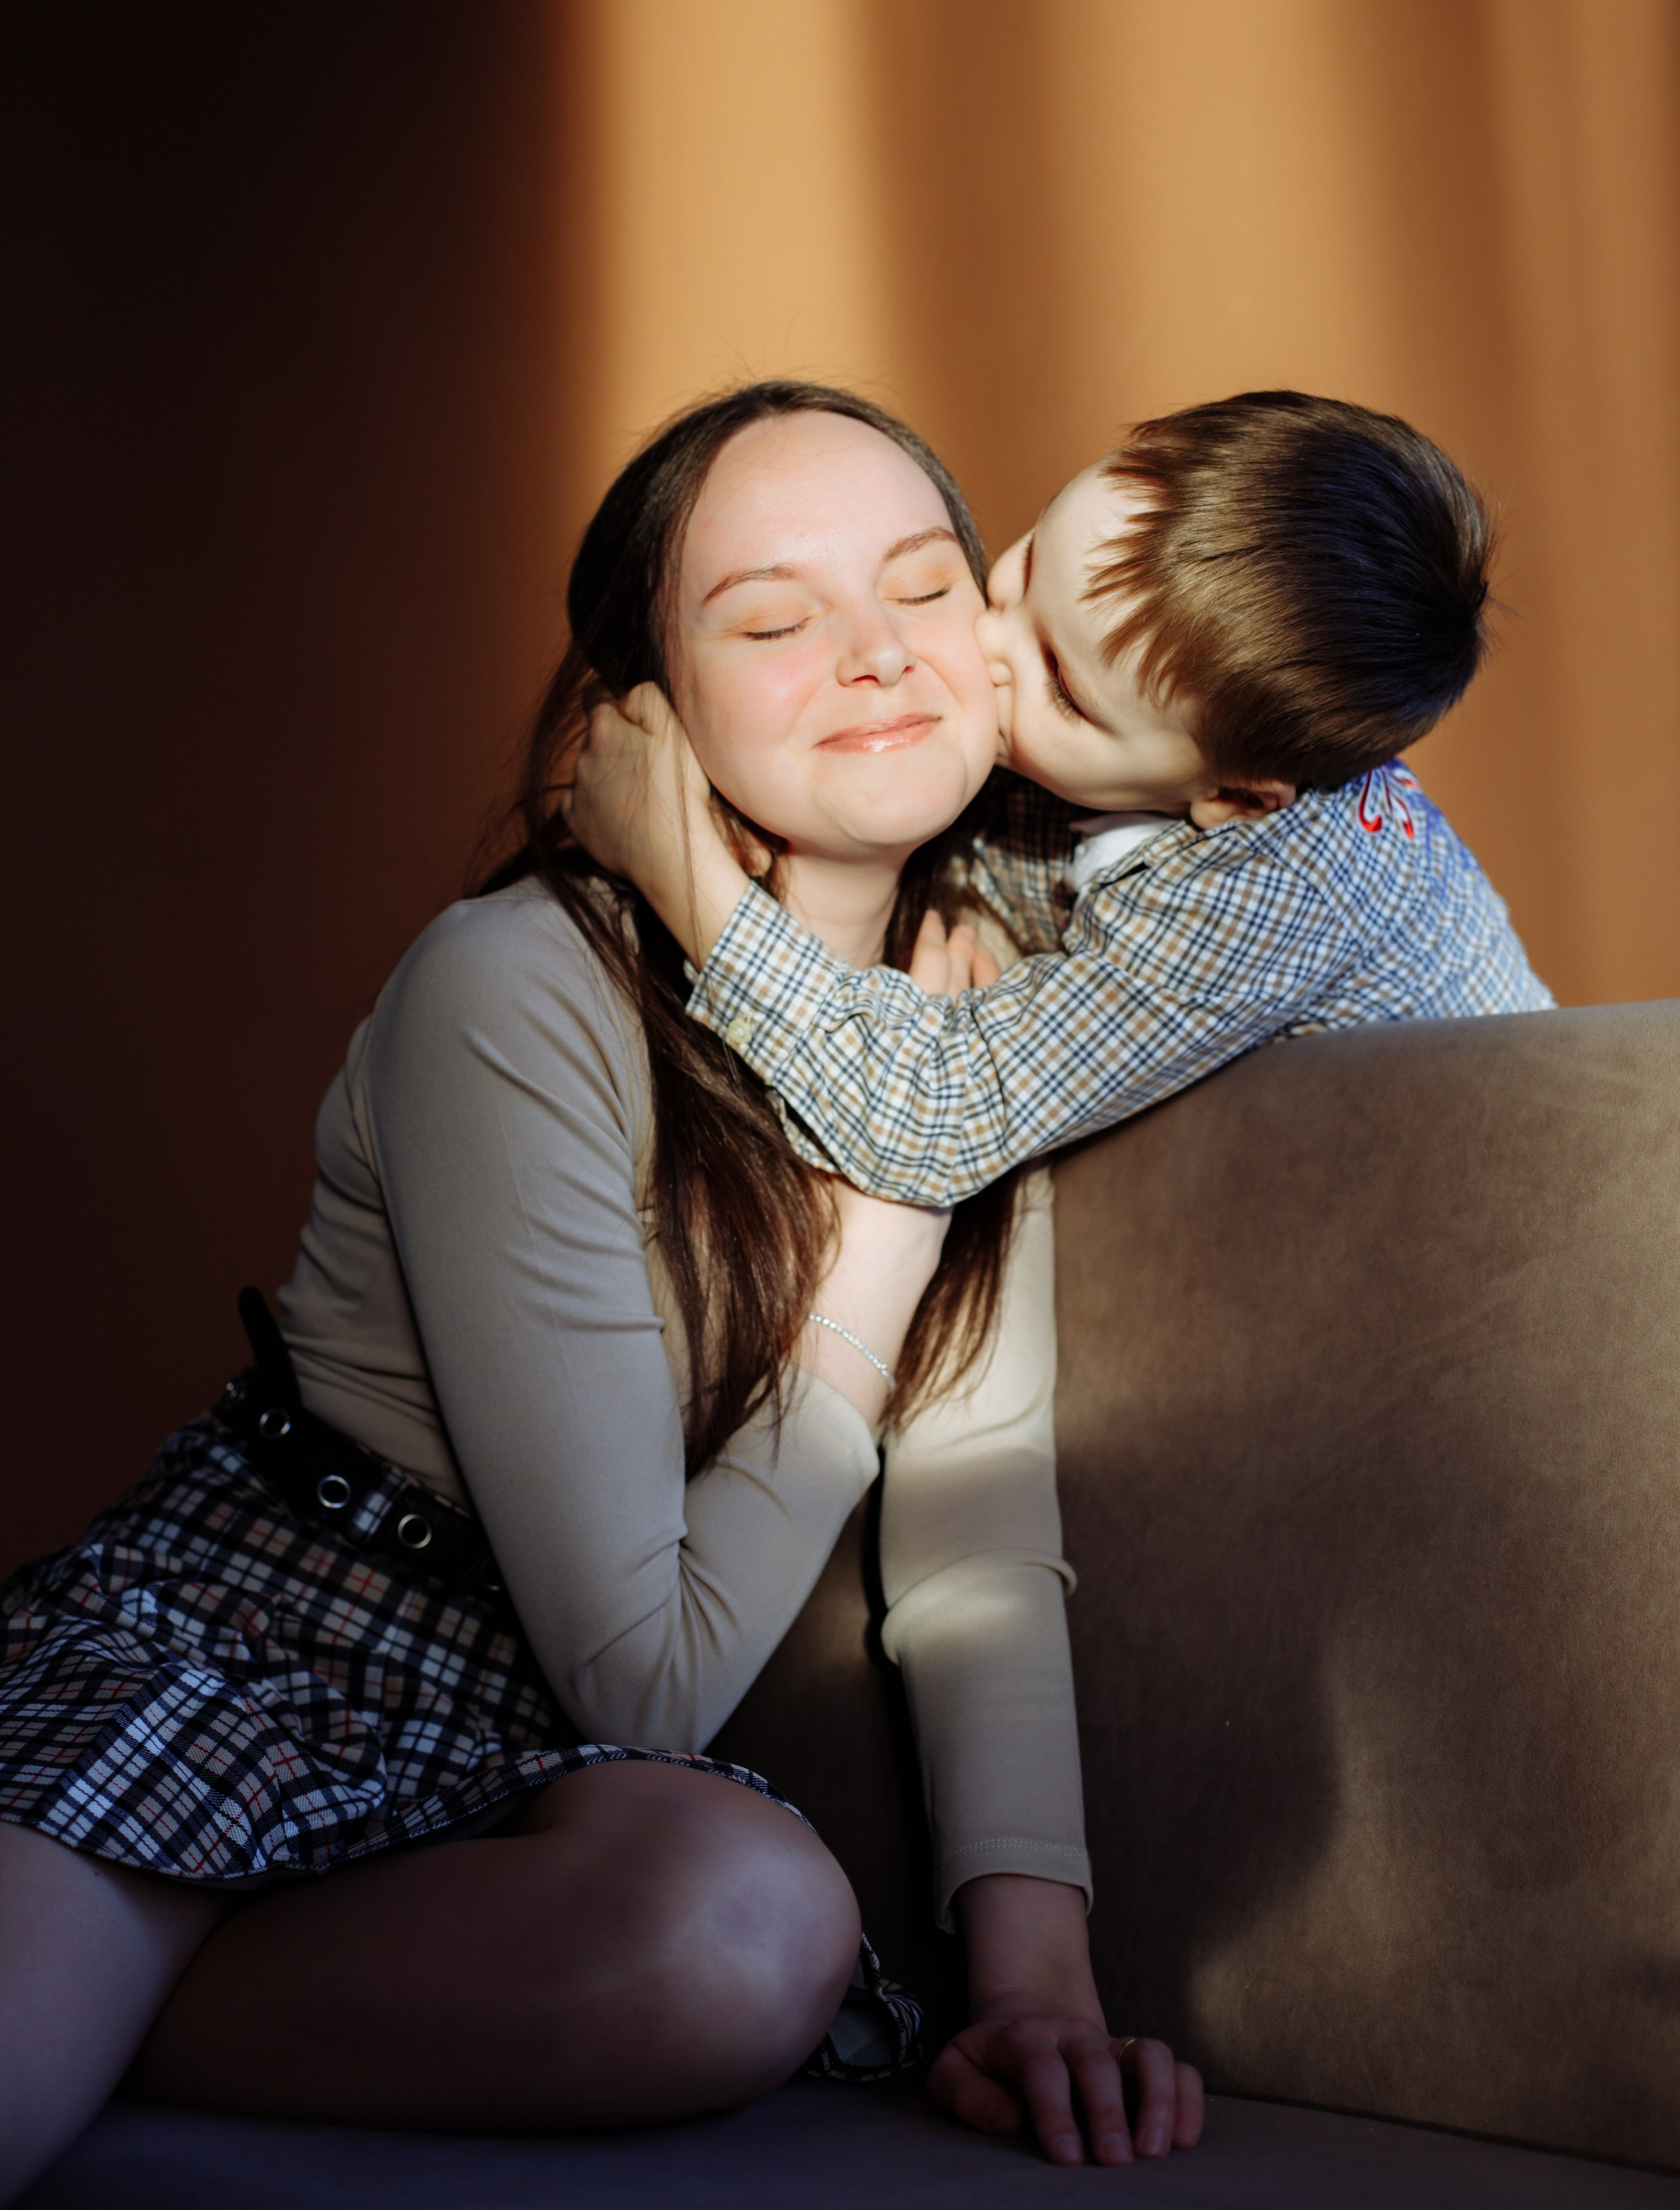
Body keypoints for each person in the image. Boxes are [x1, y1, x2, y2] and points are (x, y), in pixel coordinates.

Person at [0, 380, 1203, 2204]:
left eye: (922, 586)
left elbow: (973, 1547)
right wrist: (885, 1228)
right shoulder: (515, 988)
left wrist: (1035, 1987)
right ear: (645, 713)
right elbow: (641, 1666)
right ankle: (102, 1936)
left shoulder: (982, 1024)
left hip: (527, 1743)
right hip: (261, 1637)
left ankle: (165, 1975)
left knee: (739, 1942)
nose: (878, 658)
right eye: (776, 623)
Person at [571, 389, 1555, 1207]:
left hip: (1492, 1231)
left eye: (1059, 686)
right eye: (1028, 567)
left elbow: (931, 1121)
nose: (985, 652)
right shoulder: (1141, 750)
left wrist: (685, 871)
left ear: (1238, 797)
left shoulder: (1273, 891)